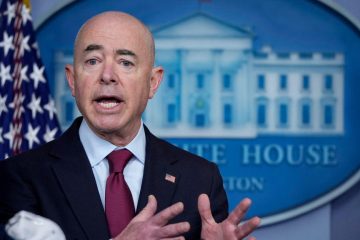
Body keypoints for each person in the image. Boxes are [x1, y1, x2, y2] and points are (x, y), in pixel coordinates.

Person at [0, 11, 260, 240]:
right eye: (92, 61)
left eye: (126, 62)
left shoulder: (201, 178)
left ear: (153, 83)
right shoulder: (19, 177)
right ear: (72, 80)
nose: (107, 76)